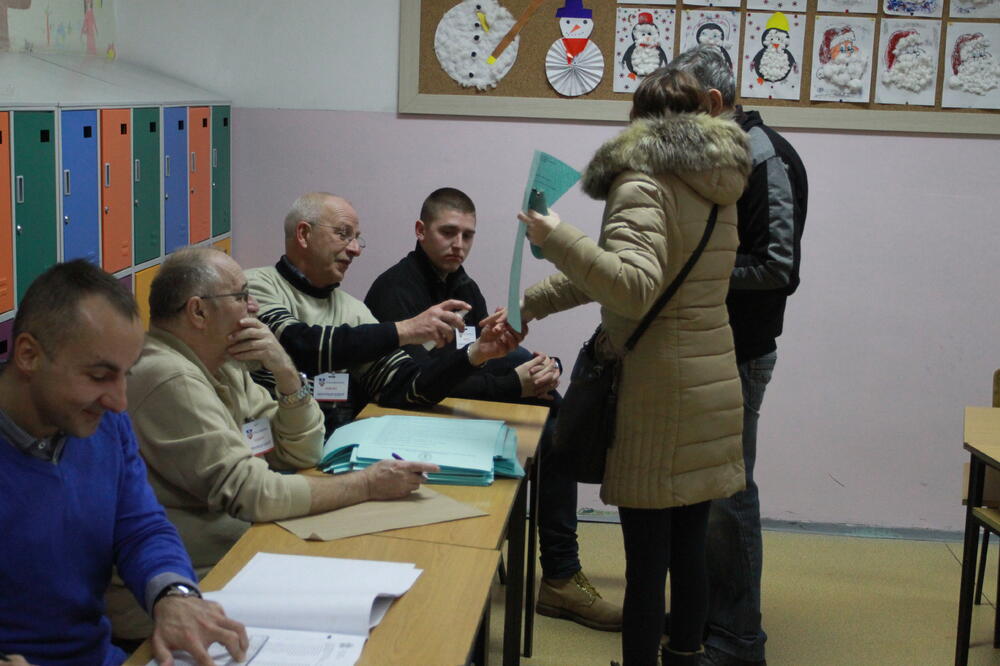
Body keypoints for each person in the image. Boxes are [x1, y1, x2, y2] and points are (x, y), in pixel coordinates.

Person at [517, 50, 750, 666]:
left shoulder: (642, 182)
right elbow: (646, 273)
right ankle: (686, 657)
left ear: (642, 123)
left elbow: (631, 285)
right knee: (688, 551)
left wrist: (555, 238)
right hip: (711, 380)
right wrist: (535, 301)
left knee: (646, 565)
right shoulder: (718, 185)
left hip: (659, 394)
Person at [106, 246, 440, 642]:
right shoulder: (167, 376)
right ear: (198, 312)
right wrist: (366, 485)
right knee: (385, 626)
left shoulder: (222, 365)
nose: (254, 306)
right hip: (187, 594)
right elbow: (255, 494)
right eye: (241, 296)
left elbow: (301, 451)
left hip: (238, 557)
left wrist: (283, 369)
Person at [364, 187, 622, 631]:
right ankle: (559, 573)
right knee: (540, 407)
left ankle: (560, 572)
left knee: (548, 401)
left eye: (467, 235)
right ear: (421, 231)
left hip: (449, 405)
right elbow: (425, 386)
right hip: (405, 420)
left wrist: (534, 371)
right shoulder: (395, 291)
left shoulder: (464, 286)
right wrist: (512, 383)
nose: (458, 244)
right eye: (448, 232)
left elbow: (477, 363)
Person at [0, 260, 248, 666]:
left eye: (125, 375)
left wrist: (174, 596)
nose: (119, 401)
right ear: (28, 355)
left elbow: (141, 528)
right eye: (99, 376)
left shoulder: (105, 425)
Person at [664, 48, 808, 666]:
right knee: (699, 493)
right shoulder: (716, 156)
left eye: (685, 107)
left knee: (729, 495)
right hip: (701, 346)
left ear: (716, 104)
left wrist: (696, 276)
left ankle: (740, 641)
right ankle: (701, 619)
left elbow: (779, 268)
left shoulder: (765, 157)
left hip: (741, 352)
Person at [246, 192, 520, 437]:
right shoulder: (253, 287)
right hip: (268, 457)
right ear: (304, 234)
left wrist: (476, 354)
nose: (354, 249)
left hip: (332, 452)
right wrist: (405, 330)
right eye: (343, 234)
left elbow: (408, 387)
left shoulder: (353, 310)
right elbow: (300, 345)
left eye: (356, 238)